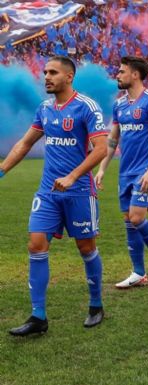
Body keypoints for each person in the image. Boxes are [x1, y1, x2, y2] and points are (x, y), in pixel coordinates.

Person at [0, 56, 109, 336]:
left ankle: (96, 305)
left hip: (80, 192)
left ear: (69, 76)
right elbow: (25, 143)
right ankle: (38, 317)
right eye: (45, 72)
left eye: (53, 72)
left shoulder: (87, 107)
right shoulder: (45, 109)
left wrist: (72, 176)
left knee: (86, 248)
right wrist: (2, 169)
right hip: (48, 192)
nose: (46, 77)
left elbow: (100, 149)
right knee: (36, 245)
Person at [95, 56, 148, 288]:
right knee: (129, 221)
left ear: (135, 74)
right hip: (125, 171)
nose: (117, 75)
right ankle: (138, 272)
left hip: (144, 171)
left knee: (137, 217)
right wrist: (102, 169)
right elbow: (112, 139)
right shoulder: (119, 105)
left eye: (121, 71)